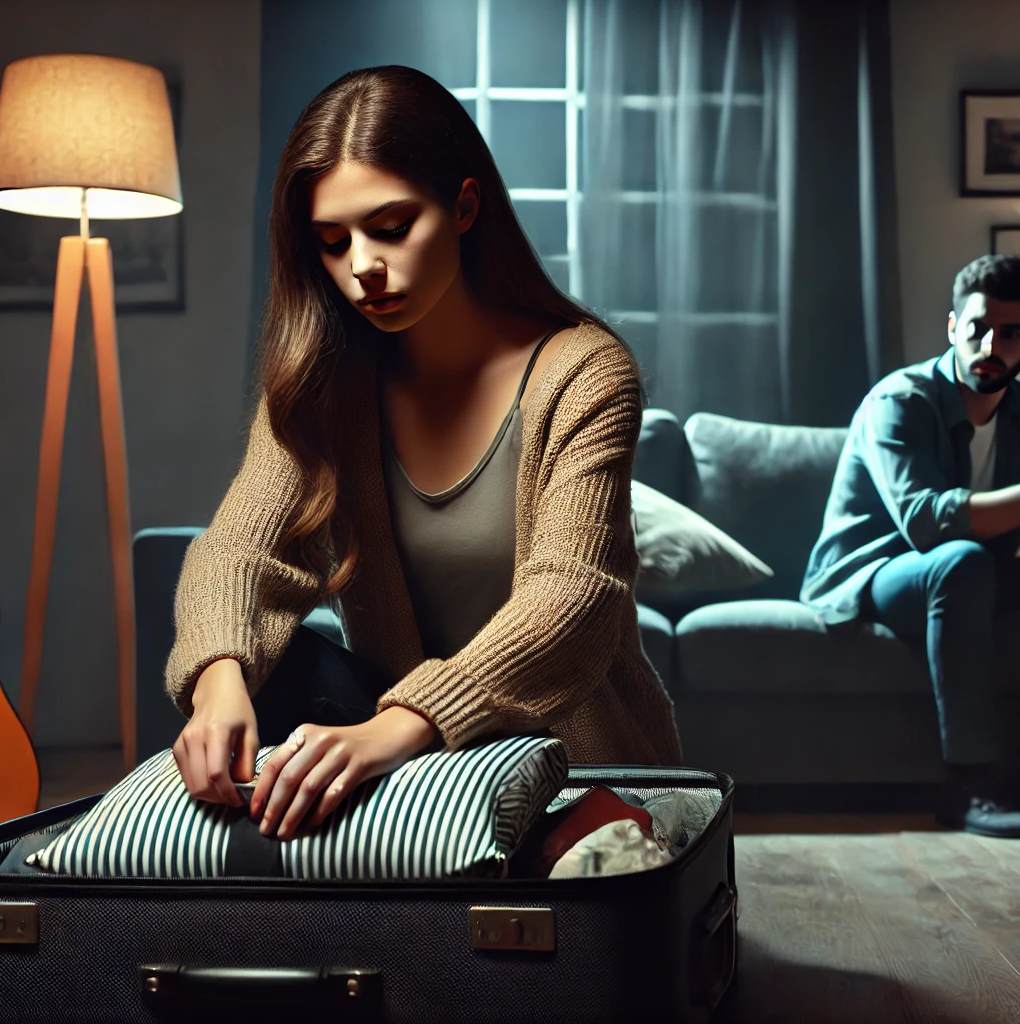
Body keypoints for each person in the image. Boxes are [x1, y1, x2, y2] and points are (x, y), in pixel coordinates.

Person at [166, 66, 680, 841]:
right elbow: (238, 550)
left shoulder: (584, 369)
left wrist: (401, 725)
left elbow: (573, 599)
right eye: (332, 243)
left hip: (567, 762)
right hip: (405, 766)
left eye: (391, 226)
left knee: (583, 857)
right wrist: (215, 685)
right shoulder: (323, 382)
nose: (362, 266)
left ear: (465, 206)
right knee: (256, 675)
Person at [801, 255, 1020, 839]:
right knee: (961, 559)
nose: (991, 344)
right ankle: (969, 784)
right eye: (977, 328)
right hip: (876, 574)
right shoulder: (901, 401)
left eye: (1010, 333)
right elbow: (927, 524)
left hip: (973, 576)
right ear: (952, 327)